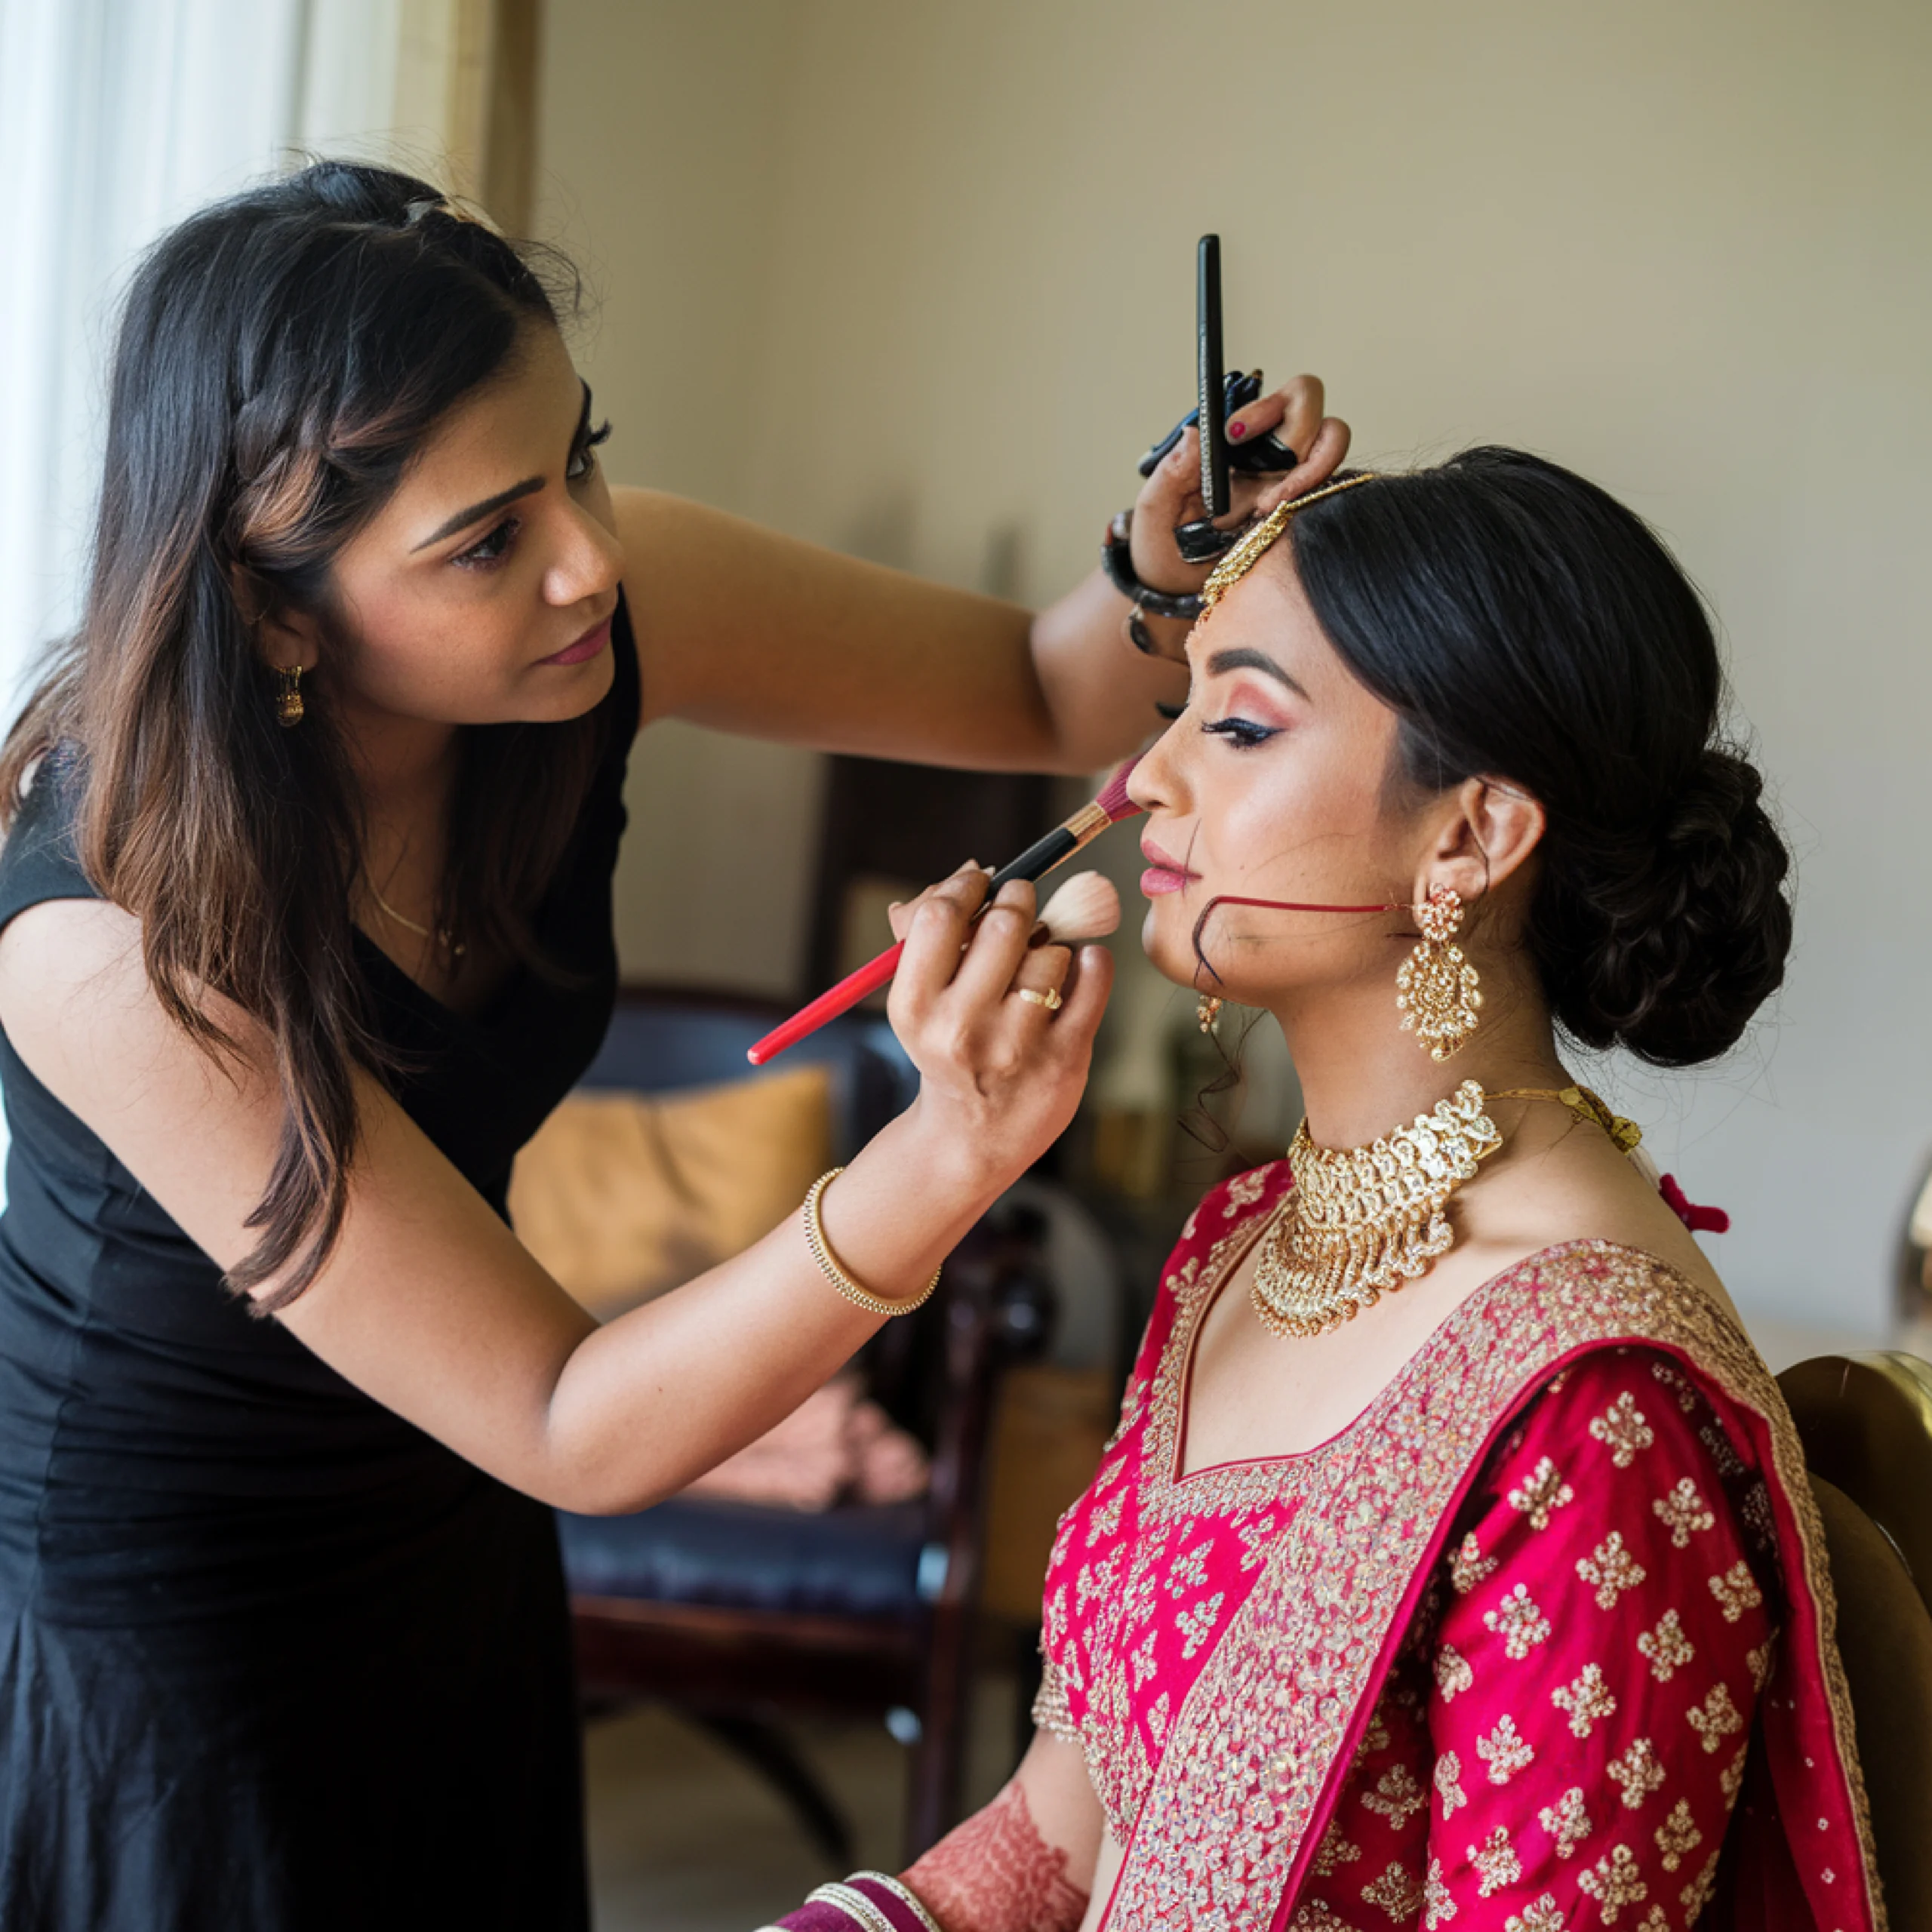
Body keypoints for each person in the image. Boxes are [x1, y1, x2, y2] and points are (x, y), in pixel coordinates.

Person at [0, 162, 1351, 1929]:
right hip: (181, 1606)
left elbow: (1040, 692)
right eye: (486, 537)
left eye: (579, 452)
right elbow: (572, 1419)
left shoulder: (587, 614)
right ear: (271, 608)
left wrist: (1152, 570)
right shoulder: (111, 947)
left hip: (451, 1519)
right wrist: (942, 1152)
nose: (587, 553)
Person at [757, 452, 1883, 1932]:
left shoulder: (1598, 1407)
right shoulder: (1245, 1240)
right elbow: (1059, 1828)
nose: (1140, 779)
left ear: (1470, 835)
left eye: (1230, 723)